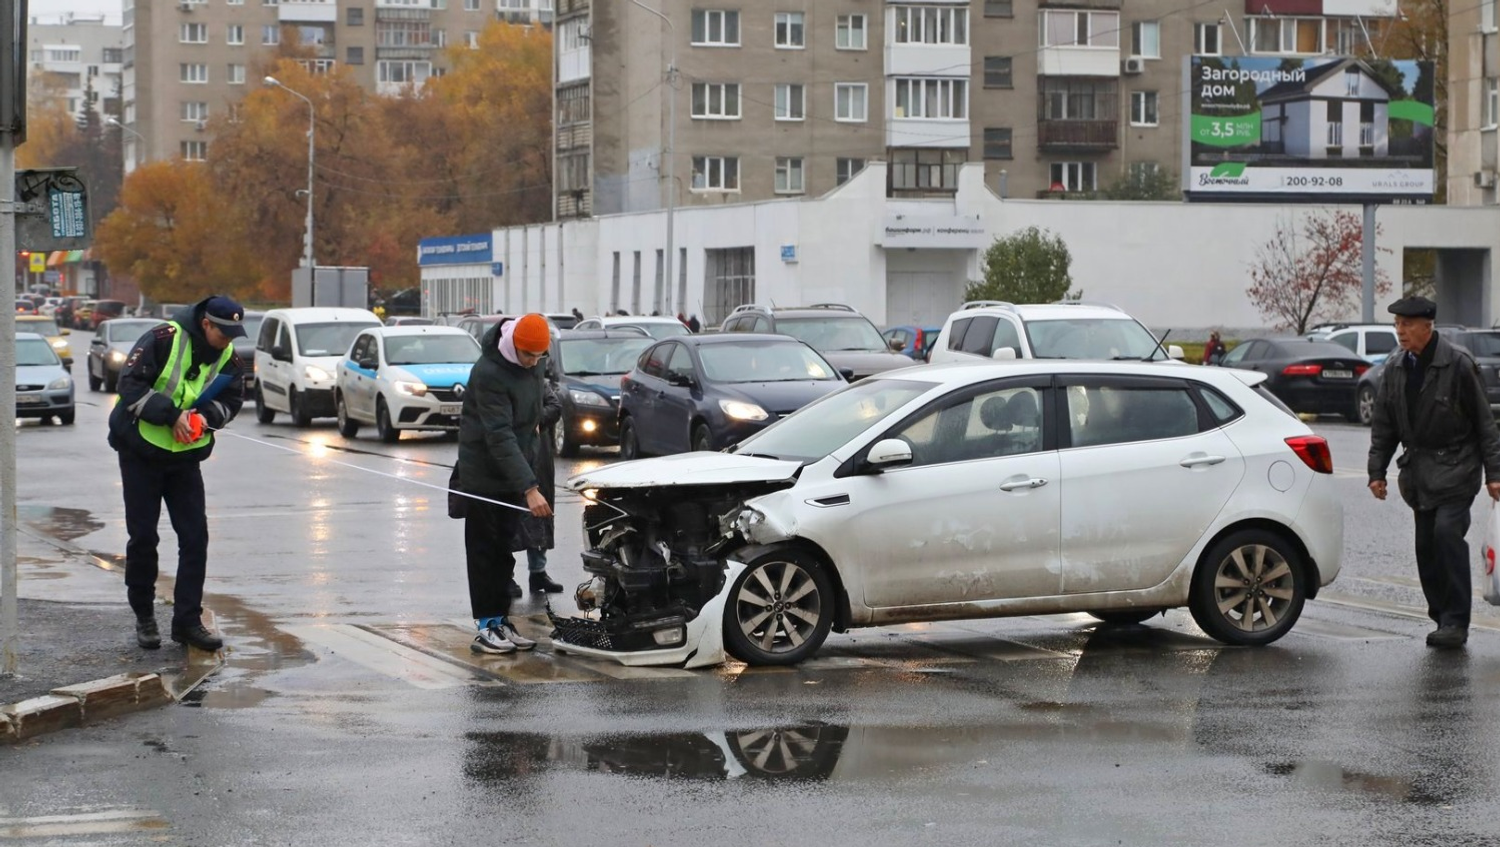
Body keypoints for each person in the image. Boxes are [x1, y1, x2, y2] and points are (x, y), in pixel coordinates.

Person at [108, 296, 246, 652]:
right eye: (223, 332)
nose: (228, 340)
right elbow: (130, 387)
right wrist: (172, 416)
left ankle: (187, 622)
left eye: (234, 333)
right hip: (140, 452)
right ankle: (144, 615)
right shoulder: (163, 339)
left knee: (195, 537)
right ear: (206, 324)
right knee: (143, 538)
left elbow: (232, 400)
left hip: (184, 458)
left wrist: (204, 419)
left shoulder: (230, 358)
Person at [1368, 296, 1500, 649]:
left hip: (1458, 467)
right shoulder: (1395, 367)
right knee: (1425, 547)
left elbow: (1486, 425)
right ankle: (1441, 615)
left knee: (1447, 536)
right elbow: (1384, 425)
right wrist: (1376, 471)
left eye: (1407, 324)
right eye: (1397, 324)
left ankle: (1456, 621)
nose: (1400, 331)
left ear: (1428, 326)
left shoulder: (1458, 364)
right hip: (1419, 473)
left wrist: (1494, 474)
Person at [456, 313, 554, 654]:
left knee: (504, 552)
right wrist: (529, 487)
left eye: (539, 356)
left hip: (515, 468)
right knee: (484, 551)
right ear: (514, 346)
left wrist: (534, 441)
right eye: (528, 355)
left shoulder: (535, 363)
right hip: (483, 473)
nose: (533, 362)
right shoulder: (488, 373)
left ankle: (501, 620)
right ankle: (485, 625)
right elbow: (499, 436)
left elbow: (532, 413)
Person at [520, 379, 565, 595]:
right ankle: (505, 576)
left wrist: (534, 420)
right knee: (509, 517)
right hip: (512, 453)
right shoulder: (499, 380)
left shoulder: (539, 381)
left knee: (540, 514)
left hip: (540, 457)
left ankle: (538, 571)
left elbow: (555, 407)